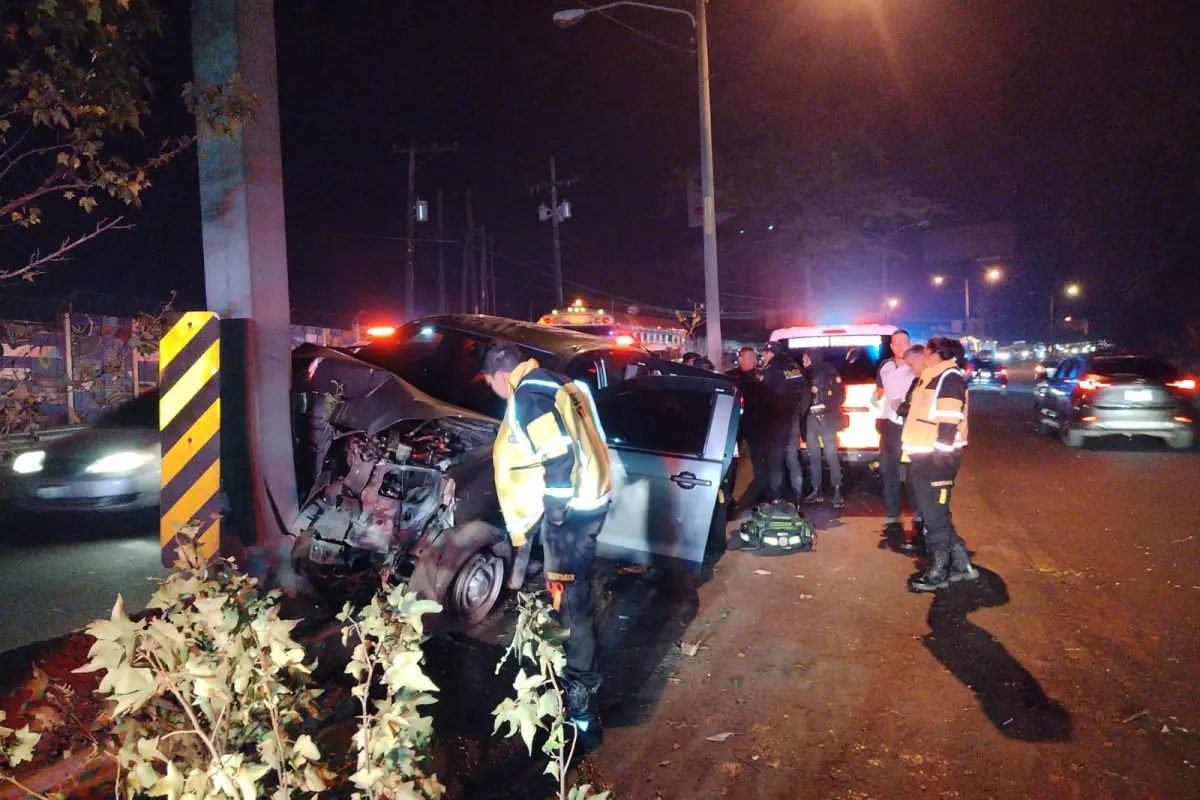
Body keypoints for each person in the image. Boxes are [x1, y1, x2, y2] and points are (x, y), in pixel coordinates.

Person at [481, 341, 612, 747]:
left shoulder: (530, 396)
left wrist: (554, 509)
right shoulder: (559, 382)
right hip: (591, 499)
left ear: (500, 375)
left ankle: (582, 708)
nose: (493, 391)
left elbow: (558, 453)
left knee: (568, 601)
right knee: (571, 592)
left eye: (490, 384)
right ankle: (576, 671)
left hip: (571, 513)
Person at [901, 336, 979, 591]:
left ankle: (937, 573)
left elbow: (948, 422)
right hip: (924, 456)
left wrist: (940, 458)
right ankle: (961, 565)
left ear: (934, 353)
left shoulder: (949, 378)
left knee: (934, 518)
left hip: (936, 459)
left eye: (925, 350)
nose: (922, 354)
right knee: (936, 514)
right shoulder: (931, 377)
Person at [874, 329, 916, 526]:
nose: (901, 346)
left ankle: (918, 511)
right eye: (896, 343)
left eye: (904, 342)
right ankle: (893, 511)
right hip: (890, 425)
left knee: (912, 470)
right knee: (887, 469)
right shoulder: (885, 366)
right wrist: (875, 397)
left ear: (910, 343)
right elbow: (881, 389)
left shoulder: (917, 366)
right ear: (891, 346)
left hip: (910, 424)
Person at [759, 341, 810, 501]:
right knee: (792, 458)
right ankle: (798, 497)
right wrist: (797, 414)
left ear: (770, 353)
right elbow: (806, 395)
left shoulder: (770, 371)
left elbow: (762, 398)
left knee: (775, 462)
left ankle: (774, 499)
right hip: (793, 419)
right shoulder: (796, 368)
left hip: (776, 422)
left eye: (764, 354)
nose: (763, 357)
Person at [802, 349, 846, 508]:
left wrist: (825, 406)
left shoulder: (829, 371)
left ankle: (837, 491)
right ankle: (816, 490)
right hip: (810, 420)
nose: (804, 362)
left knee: (831, 456)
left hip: (827, 420)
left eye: (806, 359)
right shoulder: (804, 374)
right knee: (813, 456)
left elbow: (840, 396)